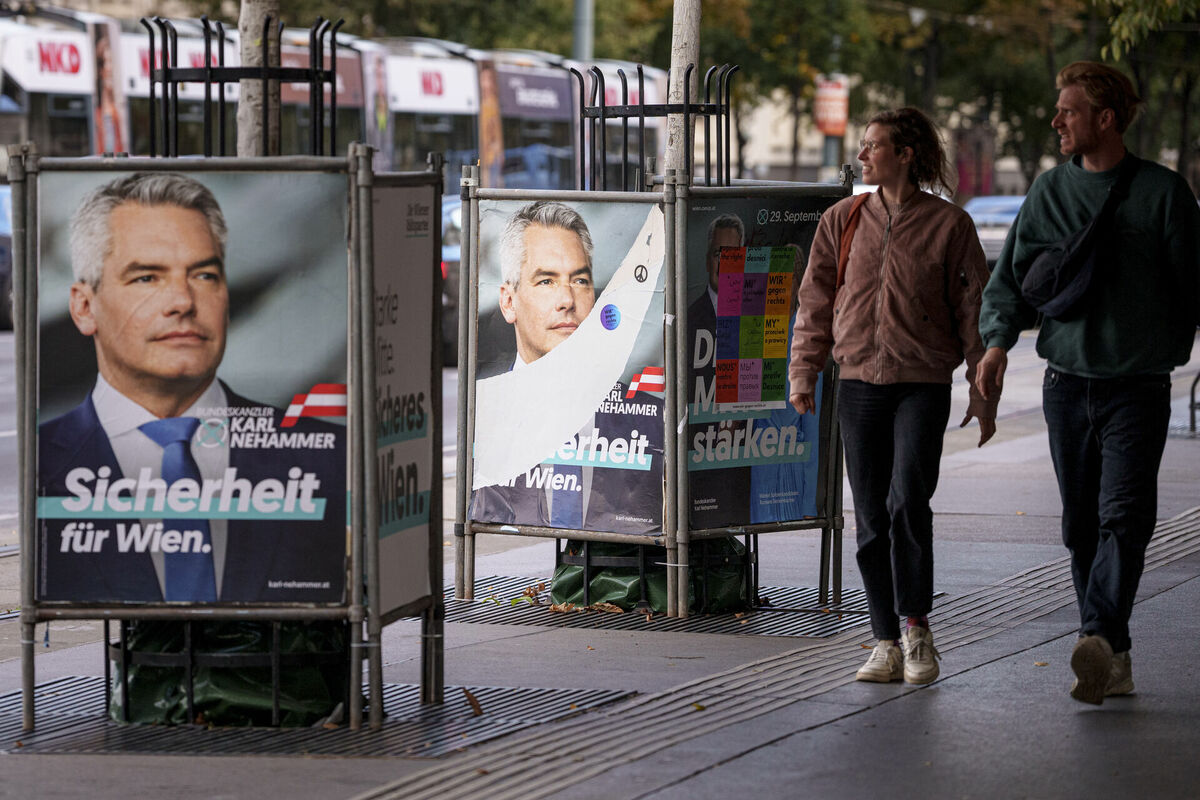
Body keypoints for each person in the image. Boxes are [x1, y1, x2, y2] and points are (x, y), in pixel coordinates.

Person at [977, 62, 1200, 705]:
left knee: (1123, 516)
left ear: (1105, 118)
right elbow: (1014, 280)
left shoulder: (1164, 194)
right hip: (1066, 384)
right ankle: (1113, 655)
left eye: (1069, 111)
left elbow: (1195, 287)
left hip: (1137, 384)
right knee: (1080, 526)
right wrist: (995, 346)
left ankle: (1097, 633)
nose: (1056, 121)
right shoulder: (1049, 192)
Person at [38, 172, 346, 603]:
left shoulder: (321, 456)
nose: (182, 300)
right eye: (147, 278)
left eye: (203, 275)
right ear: (84, 307)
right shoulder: (45, 461)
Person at [789, 107, 996, 686]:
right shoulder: (843, 218)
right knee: (871, 516)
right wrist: (803, 374)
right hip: (857, 383)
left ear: (905, 153)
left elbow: (974, 312)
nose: (862, 156)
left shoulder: (950, 226)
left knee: (909, 503)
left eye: (873, 145)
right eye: (863, 145)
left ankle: (917, 630)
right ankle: (883, 640)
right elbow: (815, 303)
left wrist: (984, 390)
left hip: (922, 384)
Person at [472, 200, 663, 533]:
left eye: (580, 281)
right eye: (546, 281)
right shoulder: (484, 416)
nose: (567, 300)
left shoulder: (644, 420)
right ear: (508, 301)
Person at [686, 214, 752, 527]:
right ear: (707, 258)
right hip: (698, 460)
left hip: (743, 458)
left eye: (733, 255)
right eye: (718, 254)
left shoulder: (754, 316)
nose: (724, 263)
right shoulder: (688, 319)